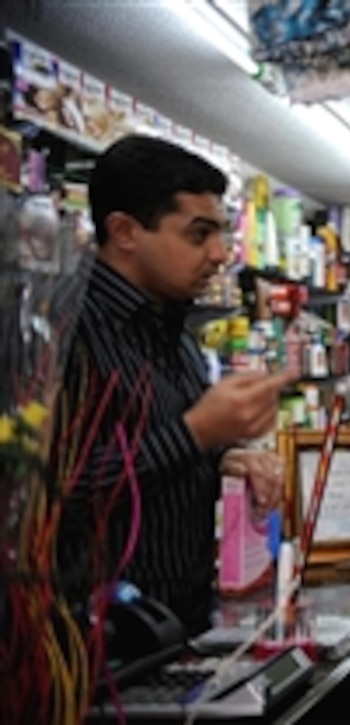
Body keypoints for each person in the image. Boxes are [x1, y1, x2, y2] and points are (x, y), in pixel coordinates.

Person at [55, 135, 296, 636]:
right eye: (198, 234)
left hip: (181, 627)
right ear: (124, 231)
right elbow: (52, 497)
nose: (220, 254)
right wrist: (197, 433)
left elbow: (156, 460)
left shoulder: (178, 339)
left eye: (223, 234)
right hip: (96, 643)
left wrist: (224, 459)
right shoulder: (61, 329)